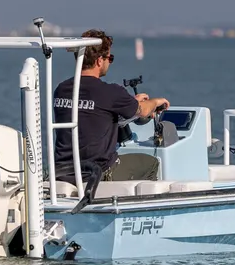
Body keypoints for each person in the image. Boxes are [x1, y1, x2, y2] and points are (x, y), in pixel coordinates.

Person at [53, 29, 170, 184]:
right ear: (99, 61)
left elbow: (91, 113)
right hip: (97, 172)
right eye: (110, 58)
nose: (110, 62)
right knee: (151, 163)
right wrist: (155, 102)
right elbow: (144, 111)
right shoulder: (111, 92)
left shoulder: (61, 90)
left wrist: (131, 101)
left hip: (63, 171)